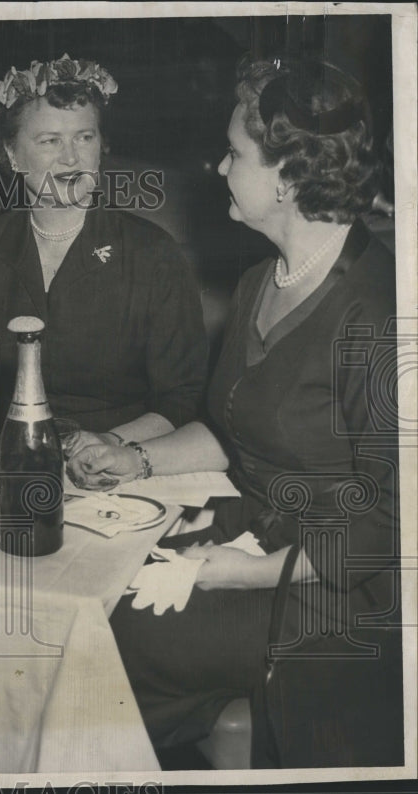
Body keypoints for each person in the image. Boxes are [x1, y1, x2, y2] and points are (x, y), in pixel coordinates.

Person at [68, 58, 402, 768]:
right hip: (255, 530)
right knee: (89, 581)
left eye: (236, 153)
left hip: (342, 587)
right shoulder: (258, 282)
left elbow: (389, 519)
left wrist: (237, 572)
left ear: (286, 179)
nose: (219, 167)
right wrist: (139, 459)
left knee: (123, 637)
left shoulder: (379, 313)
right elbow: (230, 430)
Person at [0, 54, 207, 439]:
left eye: (84, 137)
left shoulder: (153, 254)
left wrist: (108, 446)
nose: (71, 157)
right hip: (7, 454)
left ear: (101, 145)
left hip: (122, 454)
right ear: (13, 155)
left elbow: (184, 398)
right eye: (50, 141)